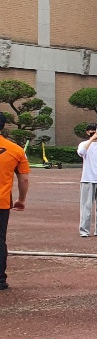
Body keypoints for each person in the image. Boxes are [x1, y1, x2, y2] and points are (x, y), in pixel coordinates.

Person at [0, 115, 30, 290]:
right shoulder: (15, 150)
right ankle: (0, 280)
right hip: (2, 201)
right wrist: (21, 199)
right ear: (3, 126)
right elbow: (23, 179)